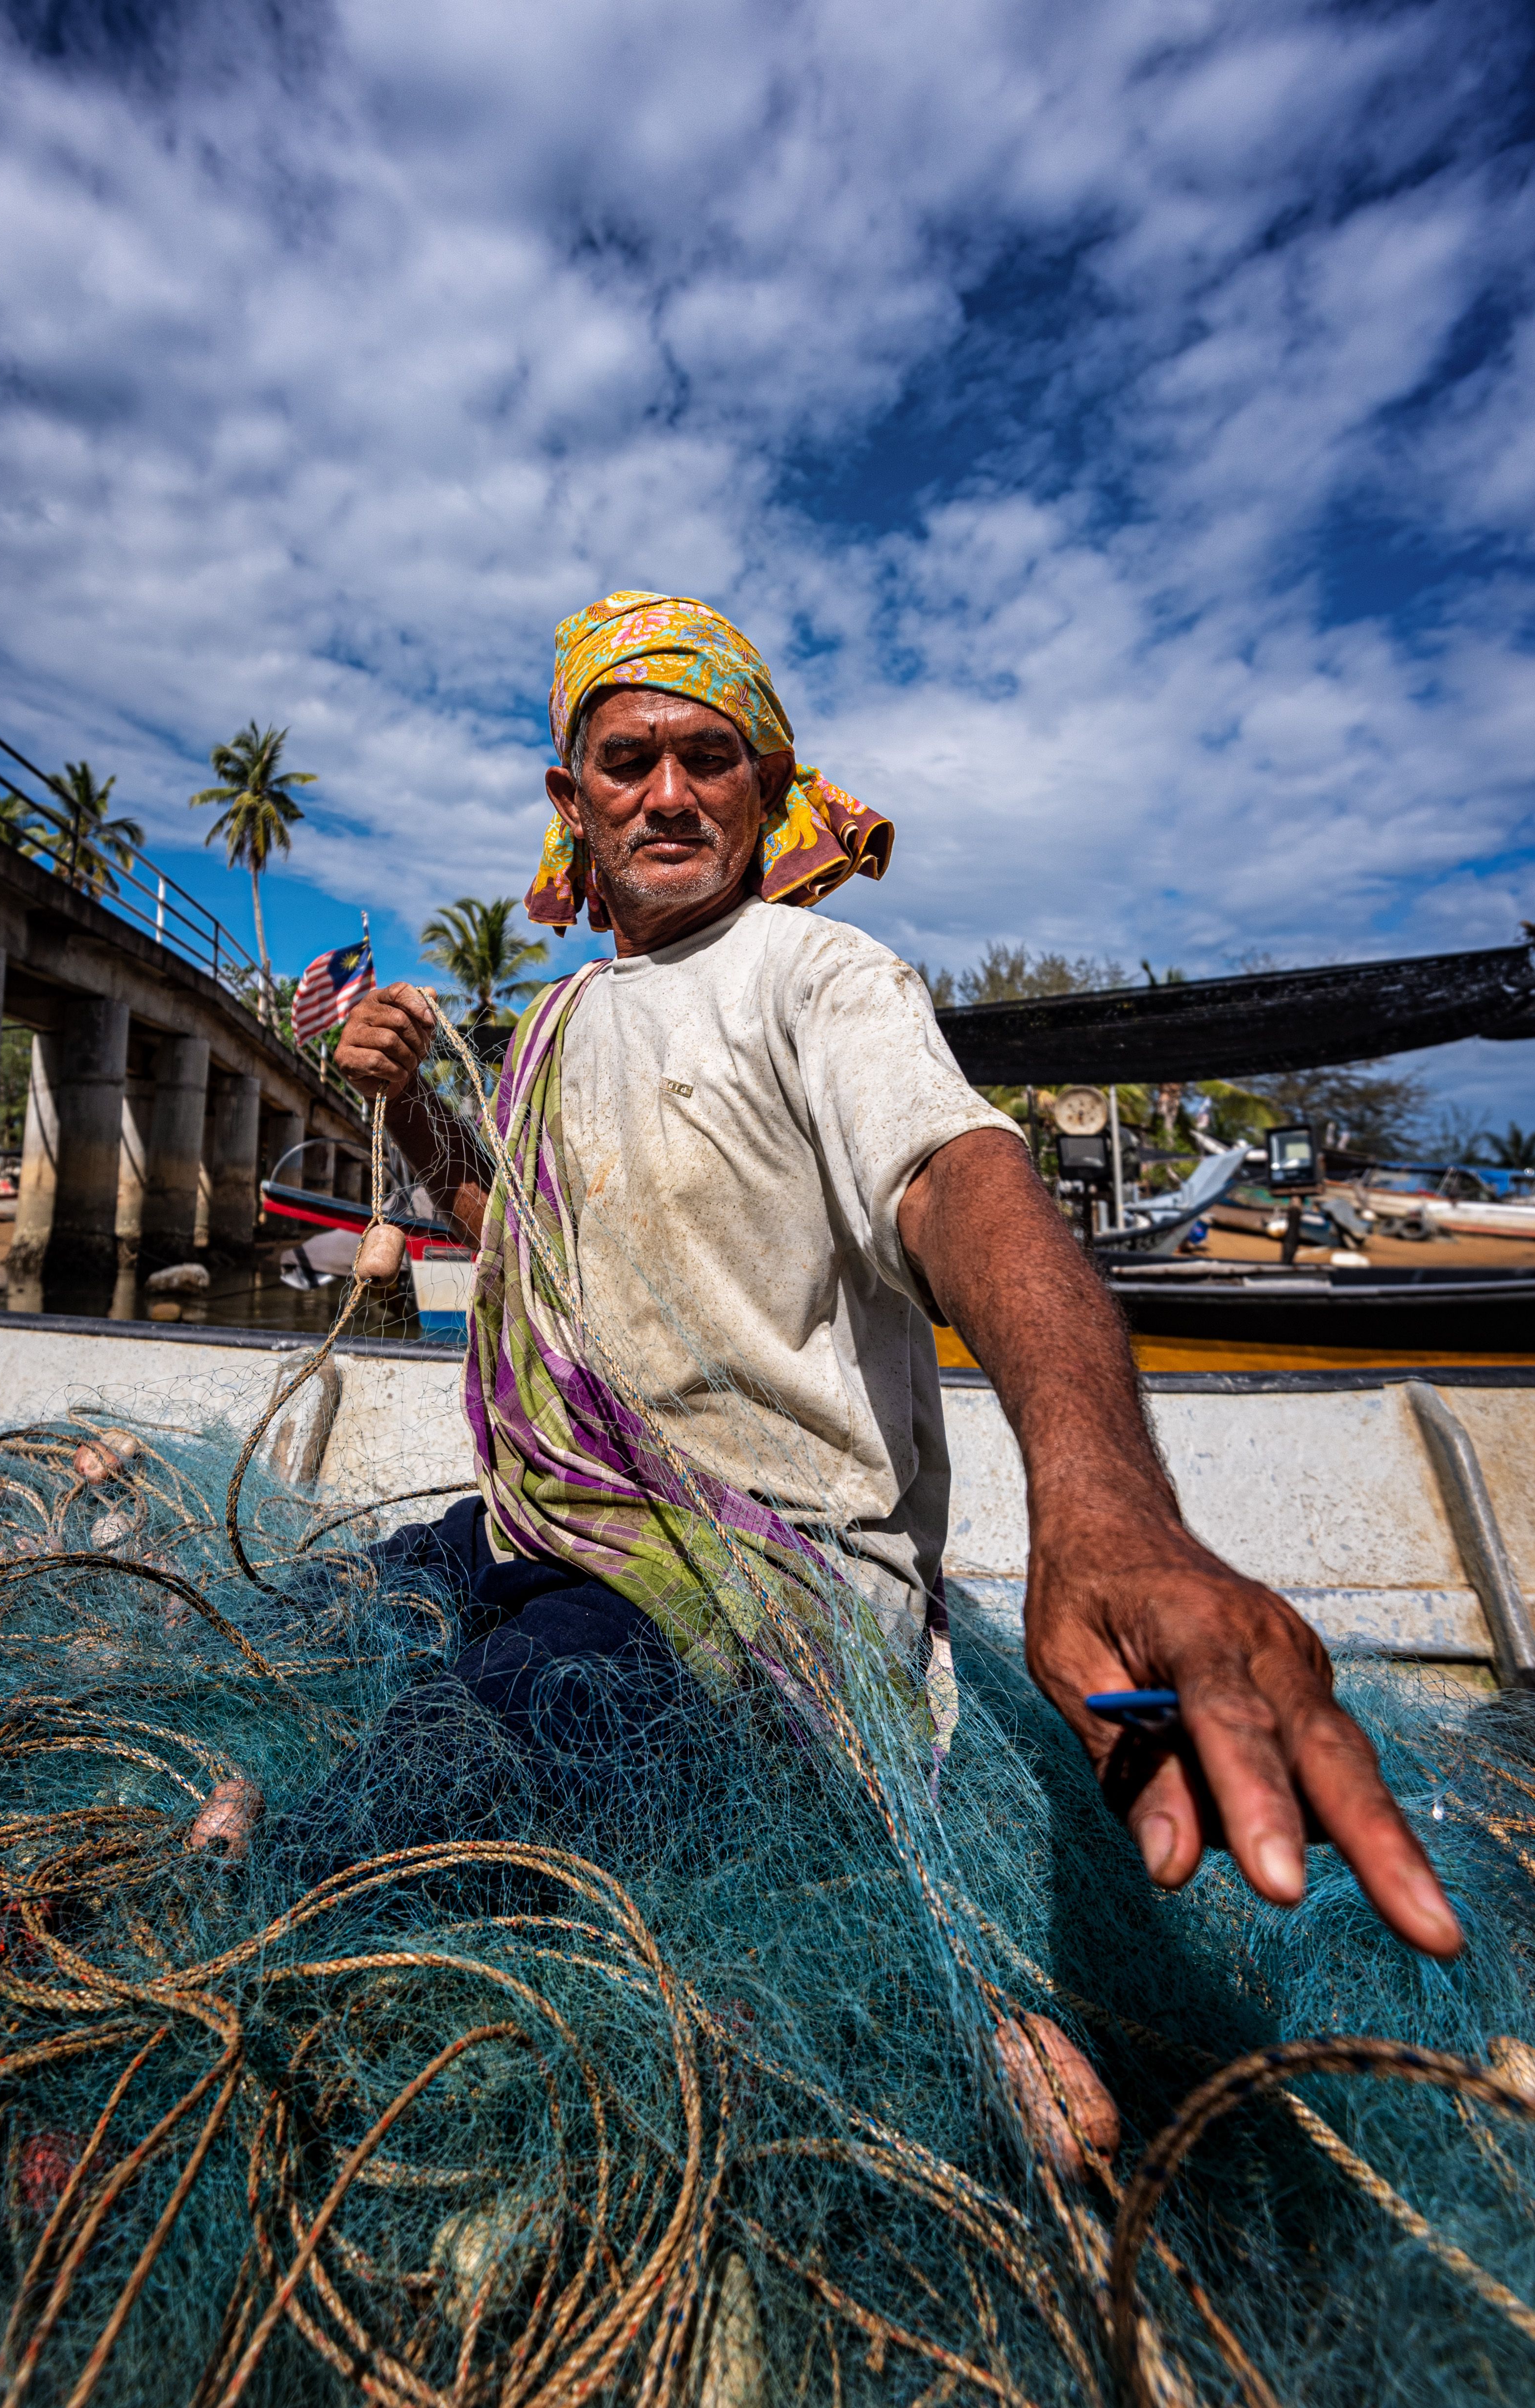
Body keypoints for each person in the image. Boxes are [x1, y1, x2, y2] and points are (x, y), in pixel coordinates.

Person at [329, 589, 1462, 1961]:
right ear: (574, 800)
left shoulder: (821, 977)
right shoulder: (559, 1018)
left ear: (768, 790)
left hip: (749, 1583)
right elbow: (520, 1231)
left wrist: (1106, 1504)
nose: (670, 794)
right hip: (551, 1526)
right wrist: (407, 1105)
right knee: (326, 1614)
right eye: (630, 762)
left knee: (396, 1823)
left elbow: (956, 1182)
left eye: (710, 757)